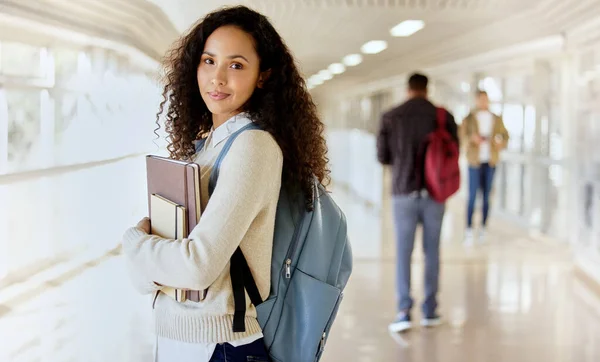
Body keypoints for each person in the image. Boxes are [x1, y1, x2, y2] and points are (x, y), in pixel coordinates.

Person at [121, 6, 329, 362]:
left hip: (219, 347)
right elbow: (170, 268)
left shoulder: (253, 146)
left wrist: (135, 245)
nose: (217, 78)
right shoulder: (212, 145)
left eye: (235, 65)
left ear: (262, 76)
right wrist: (151, 266)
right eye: (208, 61)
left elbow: (198, 264)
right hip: (187, 341)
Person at [377, 73, 458, 333]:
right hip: (436, 193)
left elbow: (383, 156)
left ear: (408, 89)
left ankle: (403, 311)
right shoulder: (443, 117)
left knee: (403, 252)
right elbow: (454, 151)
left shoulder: (391, 116)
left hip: (403, 192)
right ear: (427, 89)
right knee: (432, 251)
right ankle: (430, 310)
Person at [460, 90, 509, 243]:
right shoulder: (469, 118)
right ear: (476, 100)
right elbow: (462, 138)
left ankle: (483, 228)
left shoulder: (496, 118)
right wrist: (472, 139)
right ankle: (468, 228)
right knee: (472, 196)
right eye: (480, 99)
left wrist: (499, 142)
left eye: (485, 99)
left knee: (487, 196)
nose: (483, 102)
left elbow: (505, 136)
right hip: (474, 162)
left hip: (490, 161)